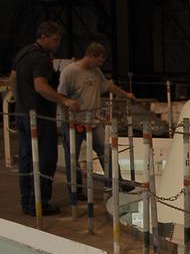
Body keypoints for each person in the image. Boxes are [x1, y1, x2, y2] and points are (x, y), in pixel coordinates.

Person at [10, 21, 79, 216]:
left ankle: (27, 201)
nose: (57, 44)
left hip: (23, 114)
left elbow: (13, 80)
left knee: (26, 158)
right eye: (55, 40)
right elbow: (41, 86)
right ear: (44, 36)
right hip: (40, 116)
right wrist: (64, 100)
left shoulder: (23, 53)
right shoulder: (41, 59)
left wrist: (20, 103)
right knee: (45, 159)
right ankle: (39, 203)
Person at [58, 42, 135, 193]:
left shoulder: (96, 71)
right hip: (74, 122)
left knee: (106, 152)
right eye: (99, 60)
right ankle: (76, 190)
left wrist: (125, 95)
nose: (101, 64)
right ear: (91, 56)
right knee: (72, 156)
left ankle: (114, 183)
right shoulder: (70, 72)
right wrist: (68, 119)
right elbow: (61, 96)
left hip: (94, 121)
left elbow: (108, 86)